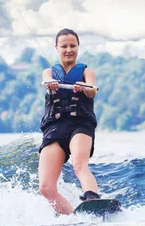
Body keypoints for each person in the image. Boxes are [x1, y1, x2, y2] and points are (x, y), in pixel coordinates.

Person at [38, 28, 101, 215]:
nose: (68, 49)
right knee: (45, 188)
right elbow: (46, 79)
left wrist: (84, 87)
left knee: (78, 162)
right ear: (56, 48)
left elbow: (92, 90)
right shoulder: (48, 72)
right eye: (64, 46)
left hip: (80, 125)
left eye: (73, 45)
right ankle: (73, 218)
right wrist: (50, 83)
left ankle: (92, 197)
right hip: (54, 128)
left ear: (78, 47)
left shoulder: (87, 72)